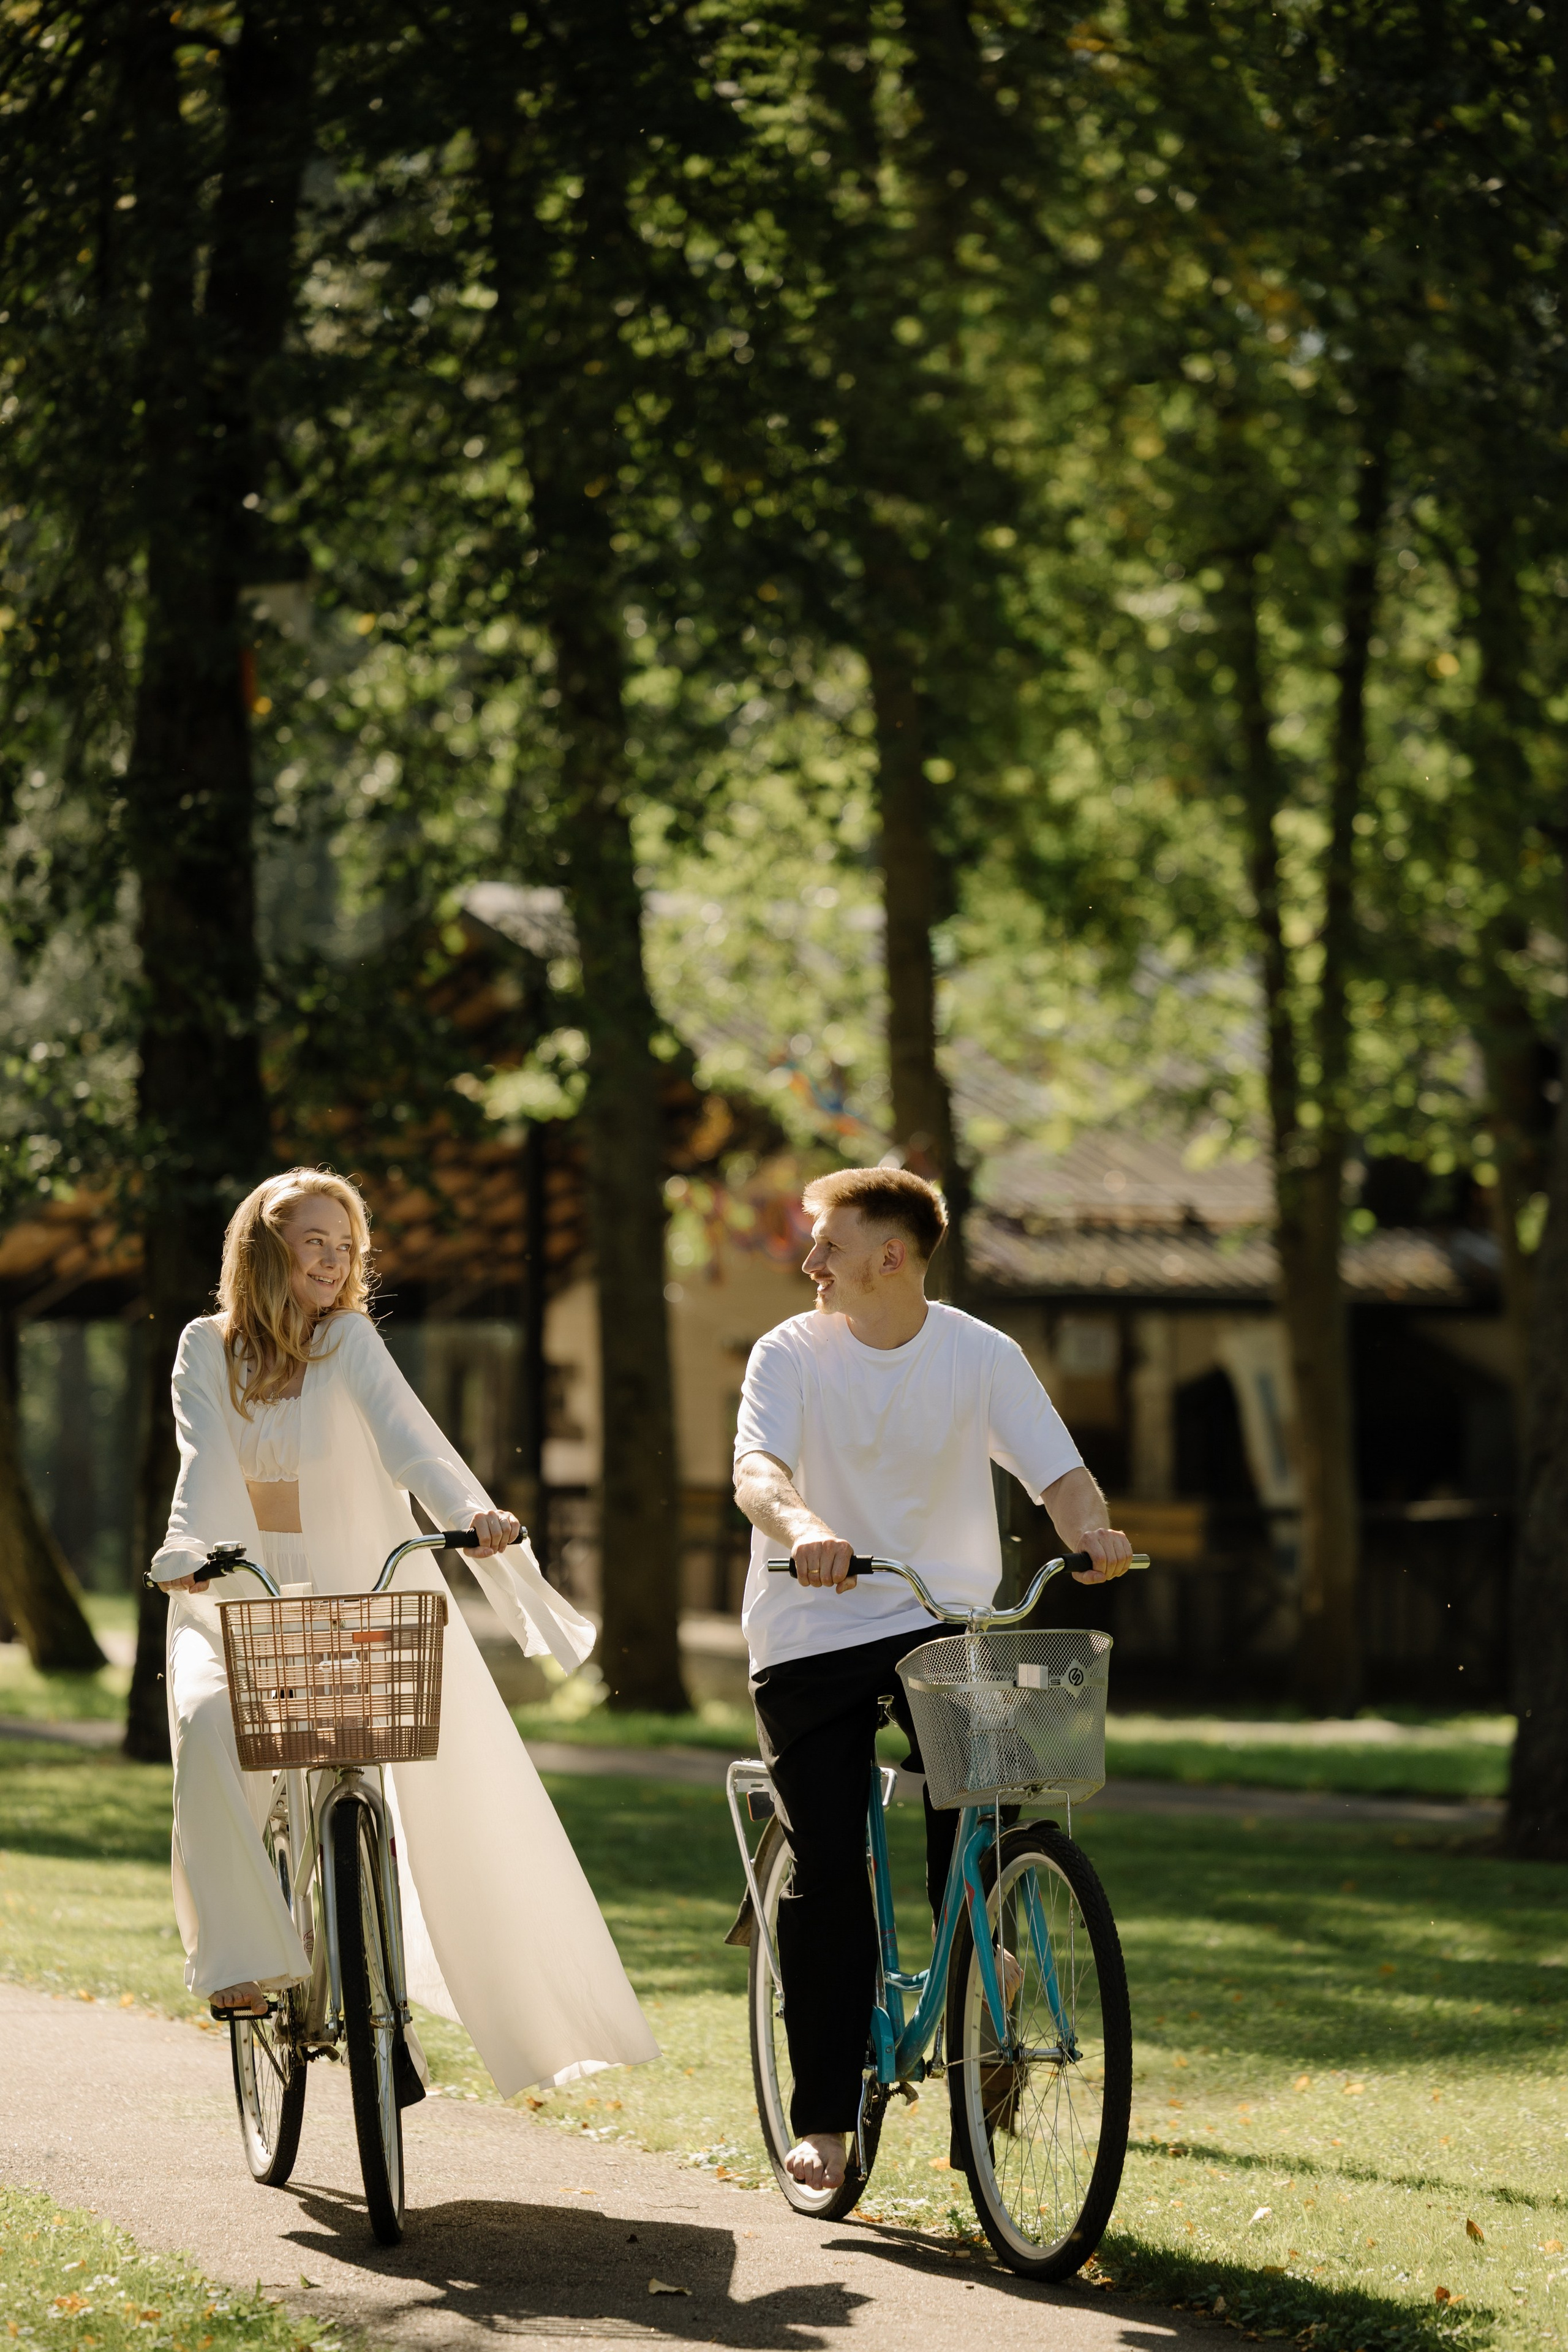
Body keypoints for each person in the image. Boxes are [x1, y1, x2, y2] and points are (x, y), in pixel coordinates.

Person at [150, 1165, 657, 2100]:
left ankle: (380, 1996)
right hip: (233, 1593)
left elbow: (409, 1437)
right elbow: (203, 1457)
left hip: (352, 1598)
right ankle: (242, 1960)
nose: (336, 1264)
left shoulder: (347, 1340)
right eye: (315, 1243)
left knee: (428, 1786)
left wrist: (477, 1514)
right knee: (205, 1722)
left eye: (347, 1248)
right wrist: (190, 1549)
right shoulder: (204, 1348)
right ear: (263, 1249)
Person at [733, 1166, 1133, 2193]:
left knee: (985, 1825)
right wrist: (809, 1530)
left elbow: (1057, 1471)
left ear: (890, 1257)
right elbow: (758, 1473)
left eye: (827, 1243)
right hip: (812, 1629)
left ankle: (975, 1974)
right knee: (829, 1866)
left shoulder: (978, 1354)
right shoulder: (789, 1353)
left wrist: (1090, 1532)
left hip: (942, 1619)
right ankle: (824, 2120)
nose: (811, 1262)